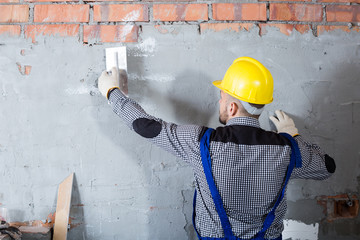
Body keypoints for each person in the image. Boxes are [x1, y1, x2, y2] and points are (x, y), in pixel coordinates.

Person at [98, 57, 336, 240]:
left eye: (222, 97)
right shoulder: (287, 150)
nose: (219, 102)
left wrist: (112, 92)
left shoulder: (201, 142)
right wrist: (292, 135)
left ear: (232, 108)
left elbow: (145, 125)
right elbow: (327, 166)